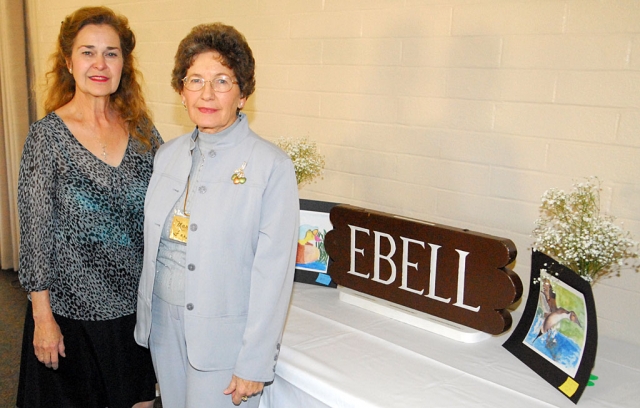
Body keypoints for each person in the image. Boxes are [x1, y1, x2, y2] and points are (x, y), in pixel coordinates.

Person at [134, 23, 299, 407]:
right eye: (195, 80)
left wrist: (255, 361)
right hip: (163, 328)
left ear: (243, 94)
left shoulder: (270, 166)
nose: (207, 94)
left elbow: (273, 273)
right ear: (181, 90)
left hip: (224, 342)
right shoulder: (167, 155)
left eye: (222, 81)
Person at [16, 6, 161, 408]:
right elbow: (35, 236)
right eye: (87, 52)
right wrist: (43, 319)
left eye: (111, 53)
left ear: (124, 63)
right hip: (68, 318)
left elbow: (171, 210)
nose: (100, 64)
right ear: (68, 62)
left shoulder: (144, 131)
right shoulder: (47, 138)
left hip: (134, 316)